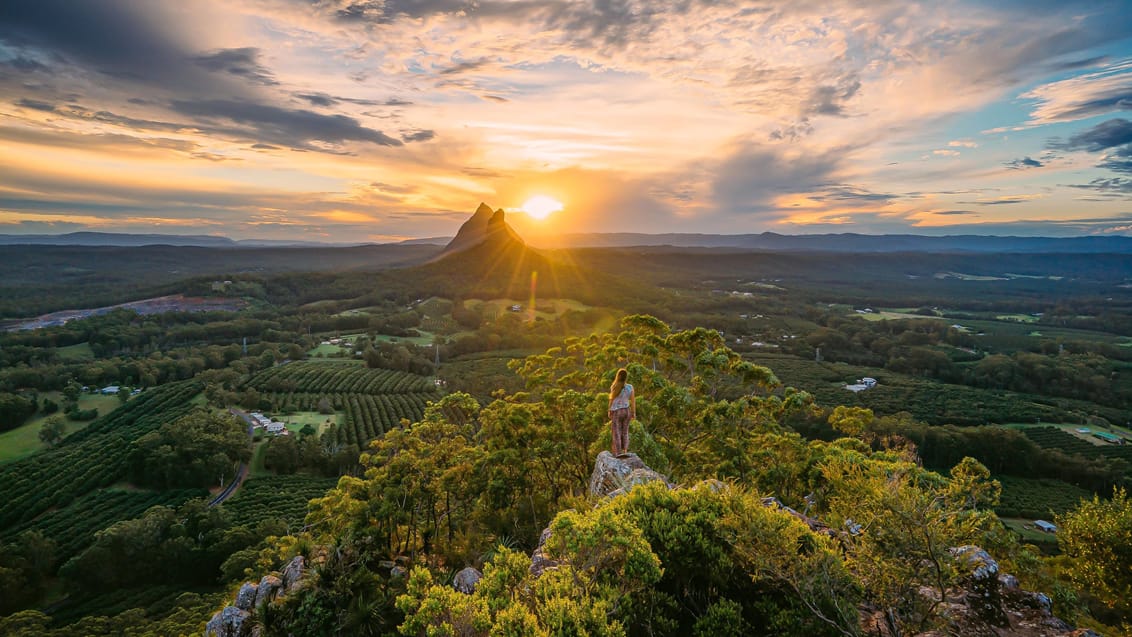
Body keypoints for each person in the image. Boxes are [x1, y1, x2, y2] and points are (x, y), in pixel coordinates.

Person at [607, 368, 635, 456]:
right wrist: (633, 412)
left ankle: (618, 453)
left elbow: (611, 400)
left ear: (618, 376)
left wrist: (609, 410)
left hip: (616, 411)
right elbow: (633, 401)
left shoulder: (614, 386)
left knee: (616, 432)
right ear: (626, 377)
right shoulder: (630, 387)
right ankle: (625, 451)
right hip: (627, 411)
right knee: (625, 431)